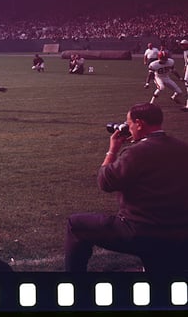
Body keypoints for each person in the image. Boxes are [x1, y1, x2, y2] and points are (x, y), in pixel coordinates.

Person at [64, 102, 188, 272]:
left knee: (75, 225)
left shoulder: (136, 152)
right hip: (177, 231)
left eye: (129, 124)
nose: (128, 129)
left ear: (139, 123)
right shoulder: (182, 147)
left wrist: (112, 151)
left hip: (140, 230)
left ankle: (73, 284)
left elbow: (105, 182)